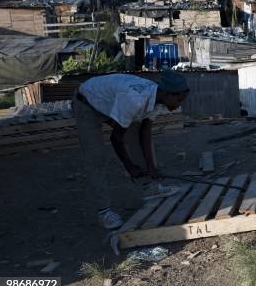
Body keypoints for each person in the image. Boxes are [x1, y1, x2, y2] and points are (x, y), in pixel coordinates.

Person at [72, 70, 189, 229]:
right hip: (86, 103)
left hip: (111, 102)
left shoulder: (159, 100)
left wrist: (151, 168)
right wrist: (130, 167)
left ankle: (149, 187)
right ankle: (104, 212)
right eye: (178, 100)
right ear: (167, 93)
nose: (178, 106)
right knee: (96, 157)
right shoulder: (135, 100)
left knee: (135, 135)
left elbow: (145, 132)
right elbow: (116, 138)